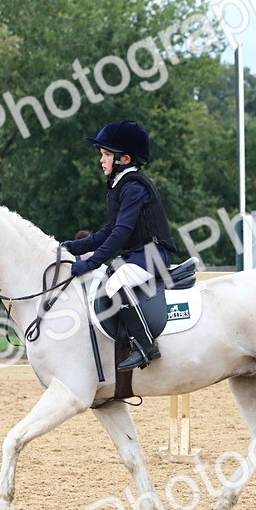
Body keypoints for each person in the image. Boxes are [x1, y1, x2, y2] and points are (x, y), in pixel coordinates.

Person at [63, 120, 177, 371]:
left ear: (124, 159)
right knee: (104, 278)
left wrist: (91, 262)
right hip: (139, 254)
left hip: (154, 254)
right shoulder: (121, 186)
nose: (101, 160)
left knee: (116, 283)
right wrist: (73, 247)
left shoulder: (134, 187)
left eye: (106, 154)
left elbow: (121, 233)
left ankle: (146, 346)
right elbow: (108, 231)